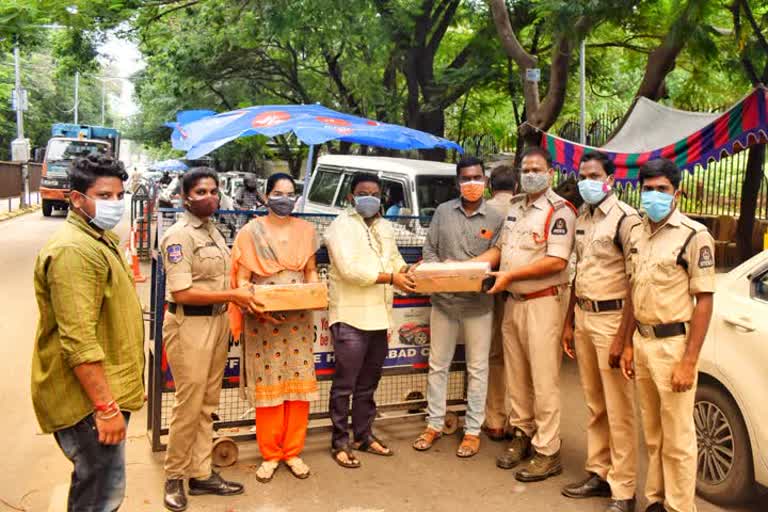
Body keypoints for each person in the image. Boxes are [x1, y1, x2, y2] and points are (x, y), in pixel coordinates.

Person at [31, 154, 144, 511]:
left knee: (99, 485)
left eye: (119, 195)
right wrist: (106, 407)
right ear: (77, 199)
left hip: (102, 392)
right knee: (99, 494)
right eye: (104, 195)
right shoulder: (74, 251)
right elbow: (78, 340)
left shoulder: (97, 237)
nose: (115, 204)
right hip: (88, 402)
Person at [474, 146, 576, 482]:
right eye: (525, 168)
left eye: (537, 169)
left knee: (543, 379)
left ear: (550, 173)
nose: (530, 173)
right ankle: (522, 434)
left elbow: (557, 261)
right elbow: (501, 250)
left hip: (544, 302)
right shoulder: (516, 207)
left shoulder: (560, 211)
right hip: (514, 302)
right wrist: (467, 266)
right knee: (515, 374)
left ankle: (548, 451)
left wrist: (510, 277)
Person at [161, 167, 258, 512]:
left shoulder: (214, 231)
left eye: (214, 191)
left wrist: (233, 295)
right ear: (185, 196)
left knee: (207, 405)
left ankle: (200, 473)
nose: (210, 197)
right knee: (188, 406)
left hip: (217, 325)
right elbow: (182, 292)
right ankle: (174, 476)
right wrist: (234, 296)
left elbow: (219, 281)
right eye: (201, 192)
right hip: (189, 326)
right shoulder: (179, 236)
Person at [620, 158, 715, 512]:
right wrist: (629, 344)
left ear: (677, 192)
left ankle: (679, 507)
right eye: (648, 189)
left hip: (674, 345)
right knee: (654, 435)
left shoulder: (694, 235)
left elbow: (704, 300)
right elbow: (633, 289)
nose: (654, 195)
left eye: (662, 189)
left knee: (678, 440)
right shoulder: (636, 232)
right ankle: (656, 501)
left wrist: (688, 362)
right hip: (643, 343)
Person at [560, 152, 641, 512]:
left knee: (618, 407)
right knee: (595, 404)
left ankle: (623, 489)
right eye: (582, 175)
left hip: (613, 319)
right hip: (583, 316)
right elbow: (578, 273)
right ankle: (598, 470)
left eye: (594, 175)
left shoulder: (626, 220)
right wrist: (568, 321)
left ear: (610, 179)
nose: (587, 181)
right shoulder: (583, 218)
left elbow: (635, 281)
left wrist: (624, 338)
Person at [412, 156, 505, 457]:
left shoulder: (495, 217)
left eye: (477, 177)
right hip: (444, 303)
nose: (472, 183)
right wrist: (444, 273)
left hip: (479, 304)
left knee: (478, 368)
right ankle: (434, 424)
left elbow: (496, 254)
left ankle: (473, 431)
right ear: (458, 182)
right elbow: (429, 251)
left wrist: (463, 269)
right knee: (438, 365)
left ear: (486, 181)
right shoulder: (442, 212)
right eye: (466, 178)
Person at [230, 173, 320, 483]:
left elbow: (310, 271)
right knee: (269, 386)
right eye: (278, 192)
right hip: (262, 319)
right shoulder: (249, 232)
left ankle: (293, 451)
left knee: (297, 387)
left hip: (298, 319)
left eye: (290, 193)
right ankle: (270, 454)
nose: (285, 198)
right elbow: (241, 280)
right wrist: (259, 306)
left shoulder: (307, 231)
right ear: (267, 196)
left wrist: (312, 297)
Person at [324, 172, 417, 468]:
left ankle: (364, 435)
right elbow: (350, 271)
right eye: (363, 192)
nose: (370, 197)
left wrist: (413, 270)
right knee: (344, 385)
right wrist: (392, 278)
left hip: (380, 317)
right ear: (351, 197)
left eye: (375, 193)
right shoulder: (339, 228)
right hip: (350, 316)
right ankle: (340, 442)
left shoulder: (385, 227)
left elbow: (396, 261)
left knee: (368, 383)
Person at [483, 164, 517, 441]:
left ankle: (493, 417)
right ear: (516, 186)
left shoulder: (485, 210)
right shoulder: (523, 210)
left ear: (489, 185)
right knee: (520, 357)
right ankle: (520, 422)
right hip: (522, 294)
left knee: (492, 354)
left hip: (487, 291)